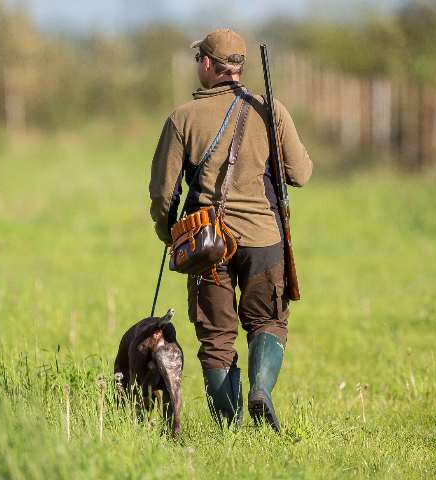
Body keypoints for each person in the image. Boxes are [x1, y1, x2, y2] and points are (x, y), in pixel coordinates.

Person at [148, 28, 312, 432]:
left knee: (217, 340)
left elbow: (163, 193)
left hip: (208, 246)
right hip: (265, 241)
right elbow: (301, 174)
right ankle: (261, 390)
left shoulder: (182, 117)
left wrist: (169, 234)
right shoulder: (270, 109)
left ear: (207, 63)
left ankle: (231, 432)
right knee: (268, 323)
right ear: (237, 67)